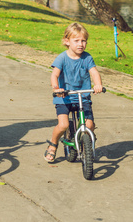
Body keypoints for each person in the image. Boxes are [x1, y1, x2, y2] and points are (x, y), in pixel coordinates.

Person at [45, 22, 103, 162]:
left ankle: (85, 141)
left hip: (83, 97)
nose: (80, 44)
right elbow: (54, 75)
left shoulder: (87, 58)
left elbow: (94, 72)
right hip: (64, 98)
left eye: (83, 41)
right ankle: (53, 144)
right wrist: (56, 88)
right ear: (67, 41)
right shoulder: (62, 58)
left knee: (89, 125)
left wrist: (98, 84)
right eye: (76, 40)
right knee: (63, 125)